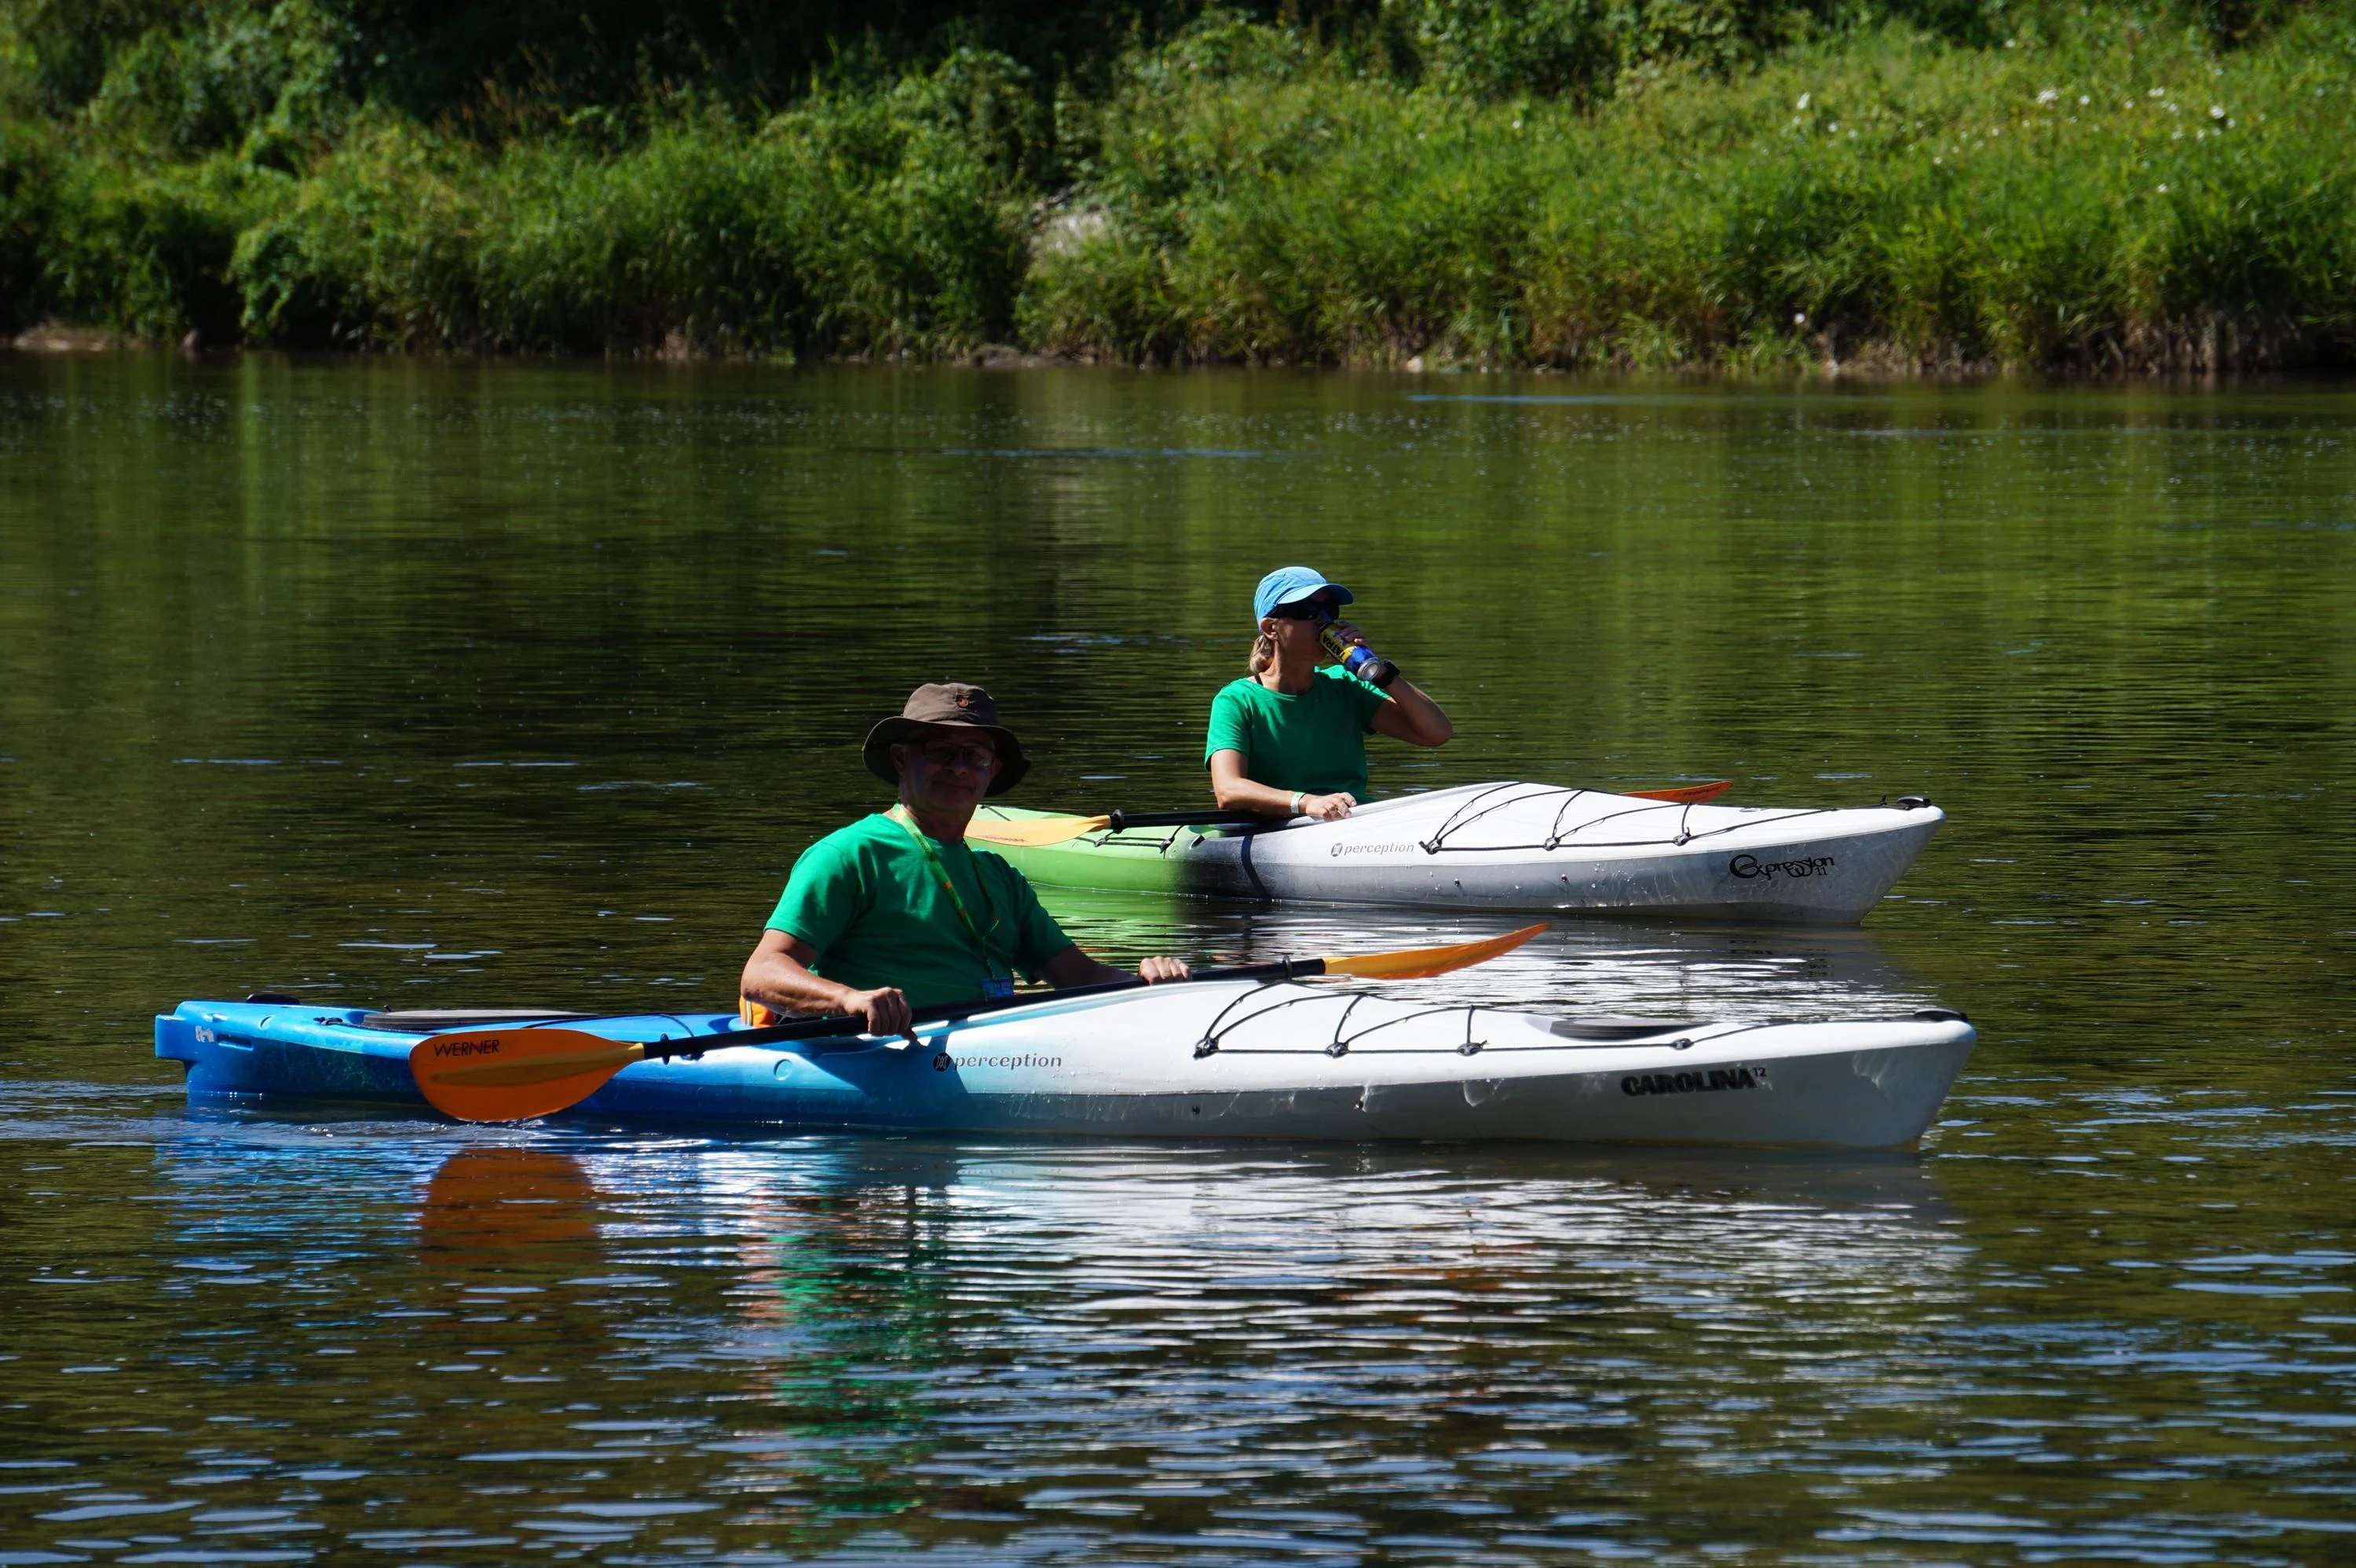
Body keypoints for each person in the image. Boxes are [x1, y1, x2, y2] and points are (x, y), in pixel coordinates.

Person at [741, 682, 1189, 1037]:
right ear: (901, 758)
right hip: (870, 1053)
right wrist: (849, 1000)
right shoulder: (848, 855)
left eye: (974, 756)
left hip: (986, 1051)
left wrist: (1148, 980)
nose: (959, 768)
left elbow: (1078, 976)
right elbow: (761, 974)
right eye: (941, 752)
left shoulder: (1000, 876)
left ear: (991, 772)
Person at [1205, 566, 1453, 821]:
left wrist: (1380, 673)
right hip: (1283, 830)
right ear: (1271, 628)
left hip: (1353, 821)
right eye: (1309, 612)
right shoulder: (1237, 700)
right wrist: (1307, 803)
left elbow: (1436, 734)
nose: (1324, 621)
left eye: (1330, 611)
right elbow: (1229, 791)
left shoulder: (1346, 684)